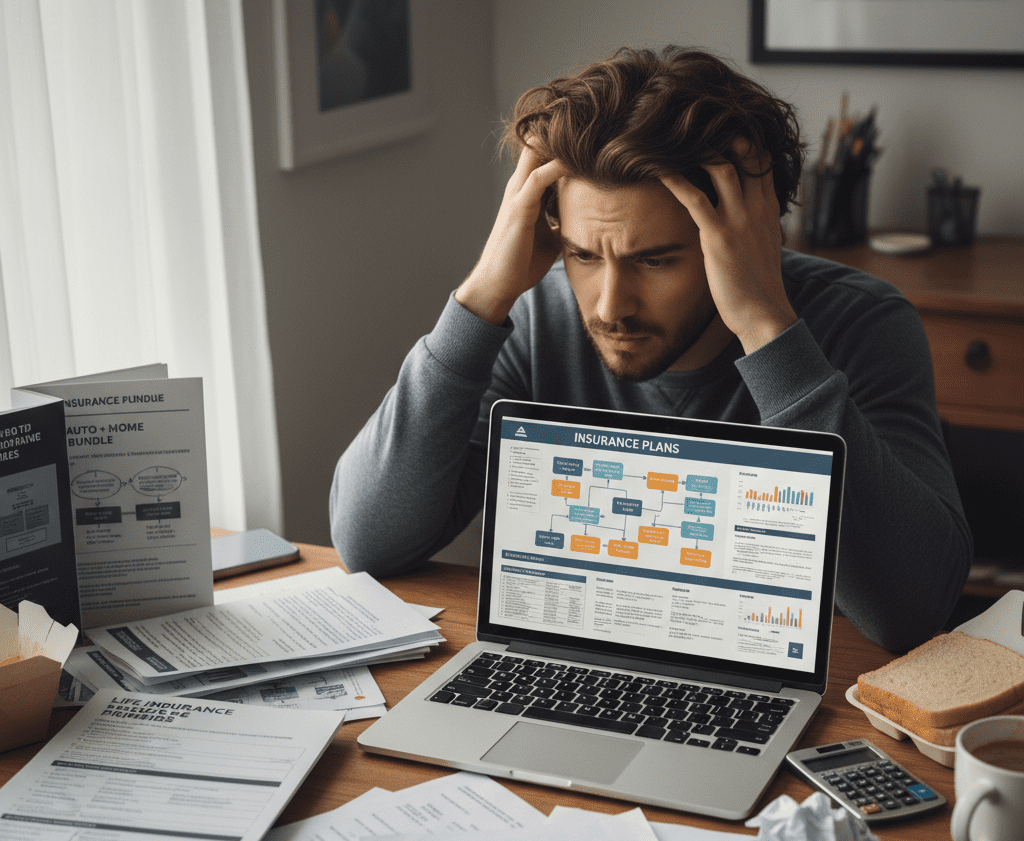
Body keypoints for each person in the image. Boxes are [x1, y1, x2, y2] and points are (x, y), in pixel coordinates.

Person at [330, 46, 971, 653]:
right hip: (575, 671)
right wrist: (478, 304)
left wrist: (768, 329)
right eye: (584, 255)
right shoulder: (535, 322)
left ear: (747, 238)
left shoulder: (861, 325)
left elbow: (912, 612)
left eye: (655, 260)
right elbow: (368, 544)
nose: (610, 306)